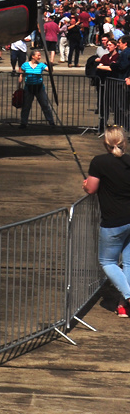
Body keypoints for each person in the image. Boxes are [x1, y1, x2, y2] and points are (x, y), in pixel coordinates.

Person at [83, 126, 130, 317]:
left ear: (106, 143)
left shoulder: (99, 162)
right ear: (124, 142)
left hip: (113, 221)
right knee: (128, 262)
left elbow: (91, 188)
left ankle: (128, 295)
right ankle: (123, 306)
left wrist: (85, 185)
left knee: (107, 261)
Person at [17, 49, 56, 128]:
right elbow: (21, 75)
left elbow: (50, 71)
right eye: (38, 55)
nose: (40, 57)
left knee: (45, 105)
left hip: (39, 88)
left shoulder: (41, 65)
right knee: (26, 106)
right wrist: (19, 86)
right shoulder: (25, 65)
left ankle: (51, 122)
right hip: (28, 88)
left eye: (40, 55)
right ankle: (23, 122)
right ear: (33, 56)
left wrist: (50, 64)